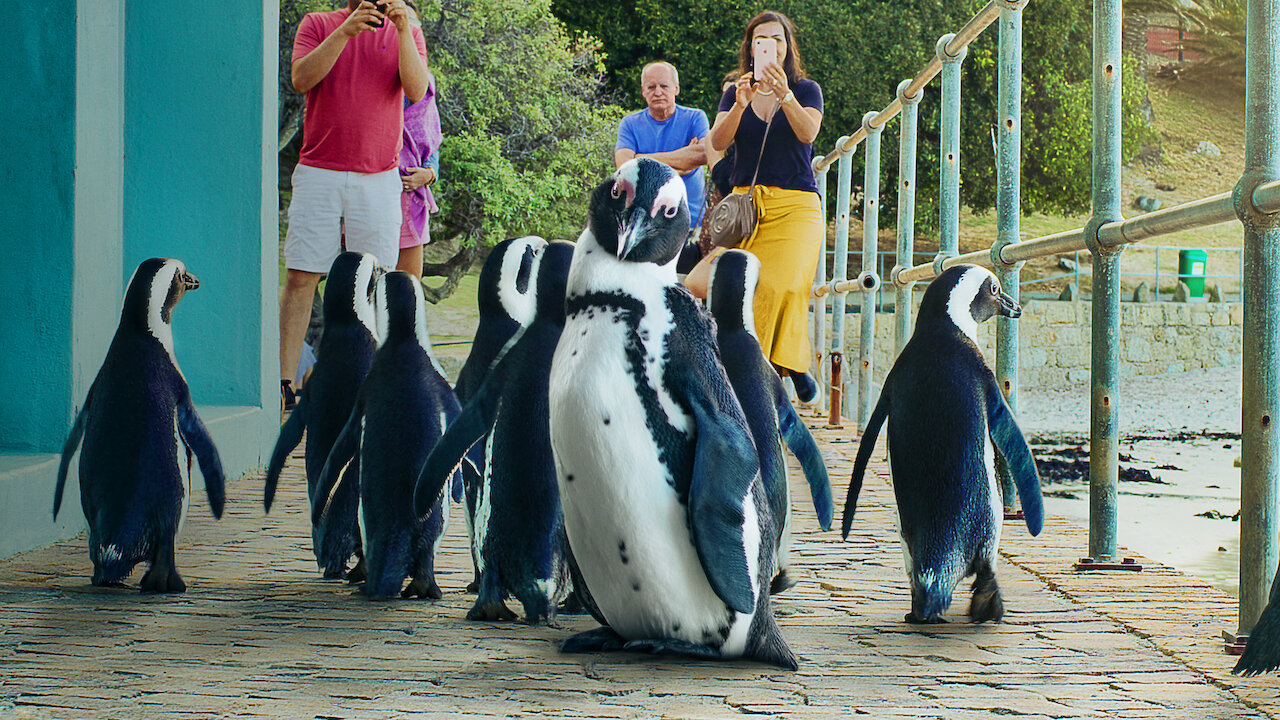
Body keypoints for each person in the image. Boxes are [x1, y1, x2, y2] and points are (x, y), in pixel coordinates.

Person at [280, 0, 430, 410]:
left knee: (377, 280)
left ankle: (373, 381)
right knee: (301, 277)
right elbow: (301, 78)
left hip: (379, 177)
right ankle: (284, 384)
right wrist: (345, 30)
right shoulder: (318, 23)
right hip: (319, 171)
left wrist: (401, 31)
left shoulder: (408, 32)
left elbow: (416, 91)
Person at [697, 10, 824, 403]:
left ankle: (757, 388)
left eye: (778, 39)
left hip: (796, 206)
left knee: (777, 284)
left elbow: (808, 133)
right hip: (746, 210)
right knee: (702, 285)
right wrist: (739, 104)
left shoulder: (806, 89)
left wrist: (784, 94)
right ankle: (792, 365)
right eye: (761, 40)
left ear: (788, 47)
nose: (770, 45)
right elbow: (717, 143)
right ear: (751, 48)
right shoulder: (735, 90)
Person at [615, 61, 709, 267]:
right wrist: (683, 163)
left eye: (664, 86)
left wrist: (641, 158)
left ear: (676, 88)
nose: (658, 92)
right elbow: (624, 168)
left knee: (686, 291)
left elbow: (702, 154)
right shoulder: (630, 124)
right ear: (643, 91)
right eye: (651, 87)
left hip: (690, 228)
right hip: (645, 229)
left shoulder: (695, 117)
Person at [396, 2, 443, 279]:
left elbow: (432, 137)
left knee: (408, 285)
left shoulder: (426, 84)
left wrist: (428, 174)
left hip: (412, 190)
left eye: (413, 25)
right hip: (377, 184)